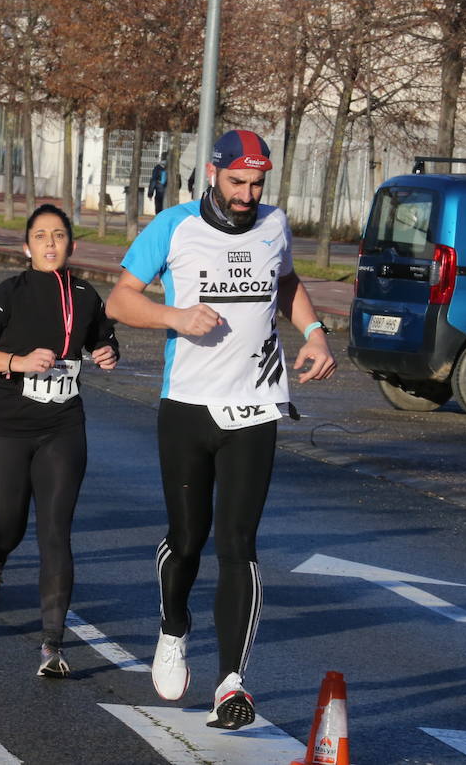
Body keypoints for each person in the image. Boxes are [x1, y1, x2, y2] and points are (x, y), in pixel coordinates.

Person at [106, 129, 336, 729]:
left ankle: (231, 682)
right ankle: (172, 626)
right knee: (188, 538)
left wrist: (314, 333)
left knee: (239, 543)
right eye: (237, 182)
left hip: (255, 408)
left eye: (257, 184)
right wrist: (174, 315)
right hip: (187, 405)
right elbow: (120, 301)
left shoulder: (274, 225)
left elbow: (285, 282)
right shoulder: (175, 227)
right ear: (214, 173)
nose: (246, 195)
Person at [0, 204, 119, 677]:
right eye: (41, 236)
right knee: (9, 522)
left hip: (63, 426)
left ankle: (53, 645)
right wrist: (16, 362)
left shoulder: (86, 295)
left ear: (71, 245)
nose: (51, 243)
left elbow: (103, 338)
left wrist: (107, 352)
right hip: (7, 425)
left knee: (55, 532)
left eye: (60, 235)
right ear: (27, 247)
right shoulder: (9, 294)